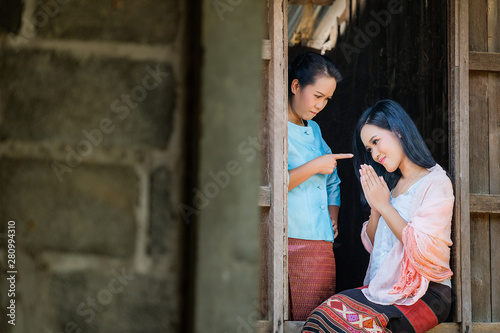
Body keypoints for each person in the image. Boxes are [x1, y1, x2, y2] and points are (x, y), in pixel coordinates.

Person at [302, 99, 454, 332]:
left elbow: (424, 249)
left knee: (349, 326)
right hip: (384, 289)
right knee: (320, 318)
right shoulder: (390, 187)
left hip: (426, 293)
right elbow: (375, 245)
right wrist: (376, 208)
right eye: (369, 149)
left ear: (398, 131)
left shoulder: (435, 182)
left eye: (375, 142)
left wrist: (385, 206)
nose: (374, 154)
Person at [287, 52, 353, 321]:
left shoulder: (314, 130)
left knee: (317, 321)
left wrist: (332, 215)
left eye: (327, 99)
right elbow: (270, 184)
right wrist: (316, 165)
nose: (321, 105)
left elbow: (333, 179)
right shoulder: (270, 126)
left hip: (319, 244)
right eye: (317, 96)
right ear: (295, 86)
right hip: (285, 239)